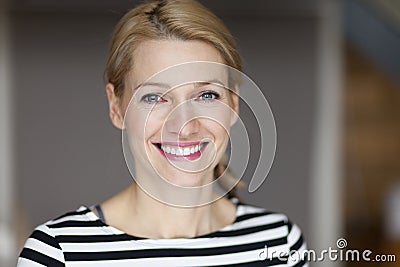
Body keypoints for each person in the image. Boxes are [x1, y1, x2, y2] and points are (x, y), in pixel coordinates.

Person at [17, 0, 307, 266]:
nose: (184, 126)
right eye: (154, 97)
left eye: (206, 95)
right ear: (116, 107)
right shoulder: (58, 253)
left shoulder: (281, 243)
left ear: (233, 104)